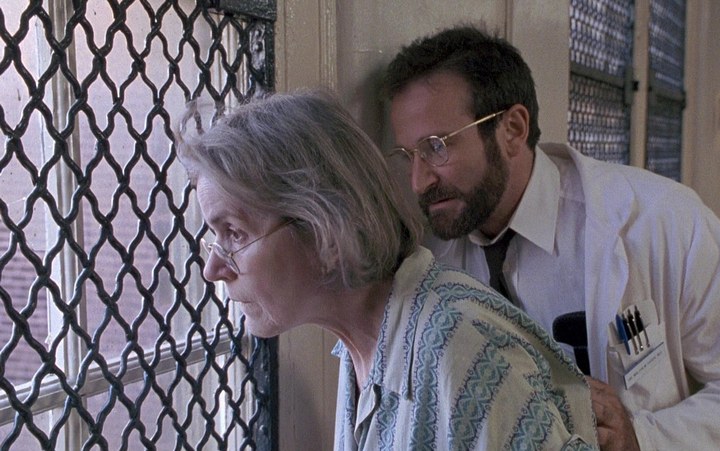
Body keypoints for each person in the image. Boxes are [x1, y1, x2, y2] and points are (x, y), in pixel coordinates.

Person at [382, 25, 720, 450]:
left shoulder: (658, 220)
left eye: (437, 147)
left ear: (512, 129)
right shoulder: (429, 262)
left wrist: (643, 438)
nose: (419, 181)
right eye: (408, 155)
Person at [174, 90, 598, 450]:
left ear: (323, 229)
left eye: (233, 233)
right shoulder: (362, 347)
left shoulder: (459, 346)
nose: (213, 268)